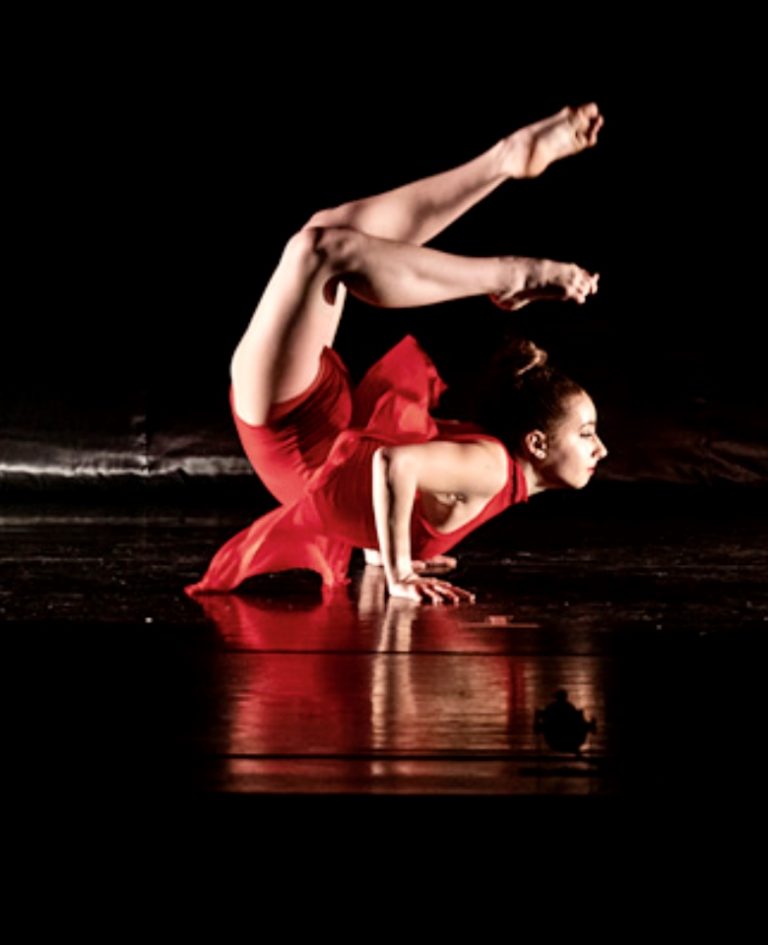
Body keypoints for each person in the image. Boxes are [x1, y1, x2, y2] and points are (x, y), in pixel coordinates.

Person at [185, 103, 608, 605]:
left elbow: (388, 471)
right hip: (305, 434)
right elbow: (388, 466)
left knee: (322, 248)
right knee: (323, 243)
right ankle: (506, 249)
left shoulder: (497, 471)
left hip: (306, 438)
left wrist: (390, 553)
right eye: (586, 434)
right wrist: (398, 568)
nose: (601, 448)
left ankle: (503, 169)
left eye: (589, 434)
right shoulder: (494, 469)